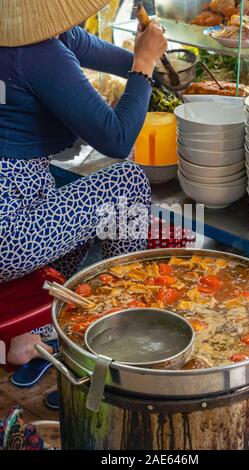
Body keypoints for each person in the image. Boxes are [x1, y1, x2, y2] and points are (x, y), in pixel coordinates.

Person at [0, 0, 167, 366]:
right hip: (9, 235)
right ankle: (126, 315)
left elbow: (86, 47)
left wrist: (146, 56)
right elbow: (117, 139)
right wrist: (144, 66)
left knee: (78, 210)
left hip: (18, 208)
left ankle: (33, 334)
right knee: (125, 183)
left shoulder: (19, 34)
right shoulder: (34, 52)